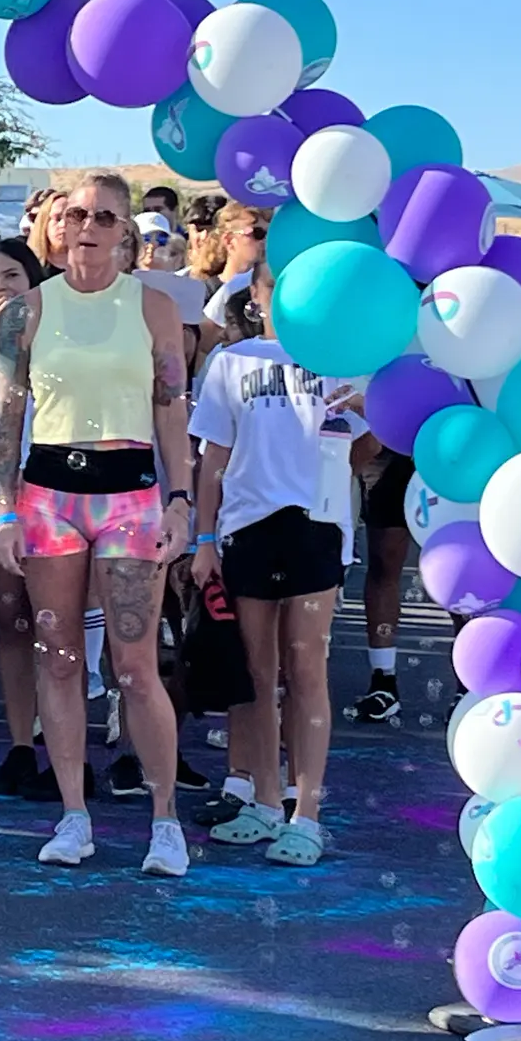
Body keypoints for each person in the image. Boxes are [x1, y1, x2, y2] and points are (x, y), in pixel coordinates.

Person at [0, 173, 196, 876]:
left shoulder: (155, 308)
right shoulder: (25, 312)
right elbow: (8, 419)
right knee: (59, 657)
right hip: (49, 495)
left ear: (125, 233)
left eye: (105, 216)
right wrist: (3, 512)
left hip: (131, 494)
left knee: (136, 666)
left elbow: (172, 407)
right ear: (53, 226)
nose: (88, 226)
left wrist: (181, 500)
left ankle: (165, 819)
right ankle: (74, 813)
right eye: (74, 214)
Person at [191, 261, 377, 865]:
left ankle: (308, 812)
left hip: (318, 525)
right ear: (259, 297)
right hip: (246, 525)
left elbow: (366, 451)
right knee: (254, 671)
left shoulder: (343, 360)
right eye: (275, 291)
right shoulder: (232, 361)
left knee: (306, 665)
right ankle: (265, 801)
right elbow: (214, 455)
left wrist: (362, 410)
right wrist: (203, 538)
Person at [0, 239, 64, 801]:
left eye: (11, 276)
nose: (0, 288)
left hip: (58, 496)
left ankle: (63, 745)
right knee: (12, 623)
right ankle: (21, 745)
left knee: (58, 626)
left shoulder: (61, 332)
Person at [352, 449, 414, 724]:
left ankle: (467, 684)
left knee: (459, 569)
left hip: (450, 437)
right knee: (383, 562)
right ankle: (383, 680)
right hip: (388, 447)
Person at [199, 204, 270, 339]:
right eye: (258, 233)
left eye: (270, 233)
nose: (266, 241)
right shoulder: (203, 291)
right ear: (229, 240)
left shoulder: (271, 285)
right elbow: (204, 345)